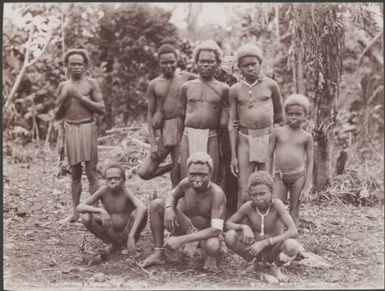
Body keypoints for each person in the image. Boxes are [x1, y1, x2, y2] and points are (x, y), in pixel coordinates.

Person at [139, 152, 227, 271]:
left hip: (208, 234)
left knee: (213, 246)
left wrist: (181, 240)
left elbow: (216, 230)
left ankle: (209, 256)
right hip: (189, 227)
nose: (197, 179)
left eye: (202, 175)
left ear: (210, 173)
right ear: (188, 172)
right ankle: (158, 253)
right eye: (193, 174)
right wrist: (169, 207)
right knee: (157, 204)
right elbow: (172, 194)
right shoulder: (186, 183)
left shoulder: (217, 194)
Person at [228, 44, 284, 208]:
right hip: (245, 138)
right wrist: (233, 155)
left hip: (267, 137)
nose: (250, 68)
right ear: (239, 68)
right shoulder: (235, 90)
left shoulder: (271, 85)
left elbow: (280, 117)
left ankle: (267, 224)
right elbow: (232, 123)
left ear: (260, 64)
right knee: (243, 185)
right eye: (245, 65)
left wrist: (279, 148)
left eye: (254, 64)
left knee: (266, 183)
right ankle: (241, 223)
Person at [55, 48, 106, 222]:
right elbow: (57, 115)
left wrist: (79, 97)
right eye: (72, 64)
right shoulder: (63, 86)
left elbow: (101, 109)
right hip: (70, 129)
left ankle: (95, 211)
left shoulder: (91, 84)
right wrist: (64, 99)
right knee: (75, 173)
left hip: (88, 128)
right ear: (67, 66)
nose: (76, 67)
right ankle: (75, 213)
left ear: (85, 66)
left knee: (92, 172)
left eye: (79, 64)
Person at [138, 43, 197, 188]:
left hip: (182, 129)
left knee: (177, 177)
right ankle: (172, 165)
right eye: (164, 62)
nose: (168, 65)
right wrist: (152, 144)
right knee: (144, 172)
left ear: (177, 61)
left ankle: (176, 207)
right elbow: (150, 115)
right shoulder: (154, 84)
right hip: (165, 131)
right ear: (159, 63)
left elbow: (209, 79)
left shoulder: (186, 77)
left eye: (172, 61)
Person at [225, 171, 299, 281]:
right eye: (254, 195)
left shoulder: (277, 205)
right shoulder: (248, 207)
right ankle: (253, 263)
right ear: (250, 195)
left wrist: (266, 242)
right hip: (255, 251)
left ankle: (274, 267)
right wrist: (244, 227)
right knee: (230, 235)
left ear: (271, 192)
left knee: (292, 245)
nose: (258, 198)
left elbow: (293, 231)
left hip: (274, 250)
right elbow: (227, 224)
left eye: (262, 193)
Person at [179, 40, 229, 184]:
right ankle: (186, 206)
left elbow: (228, 118)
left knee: (211, 178)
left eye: (210, 61)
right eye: (202, 61)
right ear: (196, 63)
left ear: (217, 63)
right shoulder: (186, 87)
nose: (205, 65)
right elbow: (180, 117)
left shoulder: (223, 88)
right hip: (188, 135)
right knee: (186, 178)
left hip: (211, 136)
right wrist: (178, 145)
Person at [77, 162, 147, 255]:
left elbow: (142, 208)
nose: (113, 181)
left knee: (140, 213)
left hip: (126, 232)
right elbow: (80, 207)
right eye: (109, 179)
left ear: (124, 180)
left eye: (117, 178)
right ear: (105, 180)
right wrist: (100, 210)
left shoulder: (125, 191)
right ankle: (111, 244)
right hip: (110, 233)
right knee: (85, 217)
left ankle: (127, 245)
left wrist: (131, 235)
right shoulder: (104, 191)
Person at [266, 94, 314, 227]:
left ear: (305, 116)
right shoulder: (277, 132)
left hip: (298, 176)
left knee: (294, 210)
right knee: (276, 206)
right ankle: (277, 235)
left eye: (298, 114)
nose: (294, 117)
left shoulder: (307, 137)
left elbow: (310, 162)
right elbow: (269, 155)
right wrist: (268, 176)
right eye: (290, 114)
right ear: (285, 114)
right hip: (279, 176)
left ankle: (293, 237)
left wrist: (306, 186)